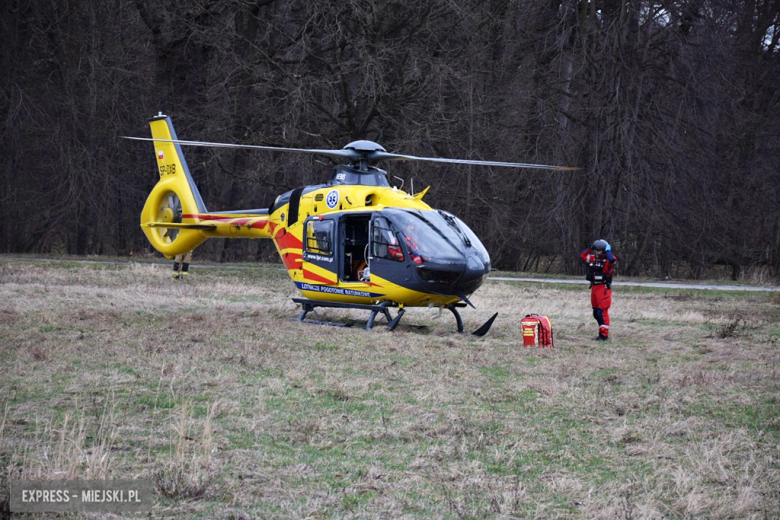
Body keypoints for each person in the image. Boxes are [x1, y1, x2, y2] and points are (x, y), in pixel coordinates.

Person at [579, 239, 617, 340]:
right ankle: (601, 330)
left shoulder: (609, 259)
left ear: (604, 251)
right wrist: (591, 247)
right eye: (596, 250)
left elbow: (612, 260)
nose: (597, 252)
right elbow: (582, 255)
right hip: (595, 288)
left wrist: (608, 250)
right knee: (596, 312)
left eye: (599, 250)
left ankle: (604, 335)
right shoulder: (594, 259)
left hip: (603, 288)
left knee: (602, 312)